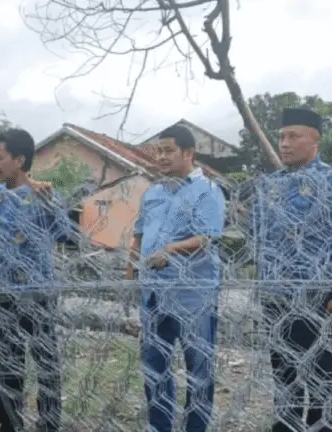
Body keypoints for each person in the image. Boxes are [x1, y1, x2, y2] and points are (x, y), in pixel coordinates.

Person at [252, 108, 332, 432]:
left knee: (322, 377)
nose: (284, 143)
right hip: (278, 299)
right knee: (284, 376)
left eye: (293, 136)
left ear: (315, 139)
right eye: (281, 137)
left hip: (317, 300)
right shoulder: (269, 185)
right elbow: (260, 240)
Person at [0, 128, 71, 432]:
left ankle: (49, 425)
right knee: (9, 364)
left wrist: (50, 204)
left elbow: (65, 234)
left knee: (46, 364)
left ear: (20, 160)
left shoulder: (44, 194)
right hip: (4, 294)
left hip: (38, 293)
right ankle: (9, 424)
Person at [125, 125, 225, 432]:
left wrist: (172, 249)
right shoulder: (153, 193)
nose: (161, 157)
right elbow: (139, 237)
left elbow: (208, 237)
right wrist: (131, 274)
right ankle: (160, 427)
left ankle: (195, 428)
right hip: (154, 294)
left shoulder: (208, 192)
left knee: (199, 369)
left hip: (192, 295)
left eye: (168, 150)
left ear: (188, 153)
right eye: (158, 151)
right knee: (154, 367)